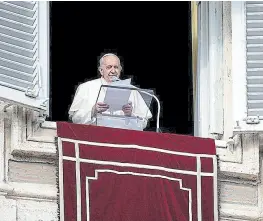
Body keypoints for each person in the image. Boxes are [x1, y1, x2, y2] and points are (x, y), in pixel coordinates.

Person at [68, 53, 152, 129]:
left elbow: (143, 123)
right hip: (94, 138)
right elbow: (75, 119)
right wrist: (93, 111)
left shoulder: (132, 90)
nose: (113, 71)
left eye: (116, 67)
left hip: (124, 139)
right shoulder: (86, 87)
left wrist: (130, 115)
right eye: (109, 67)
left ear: (120, 69)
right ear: (101, 70)